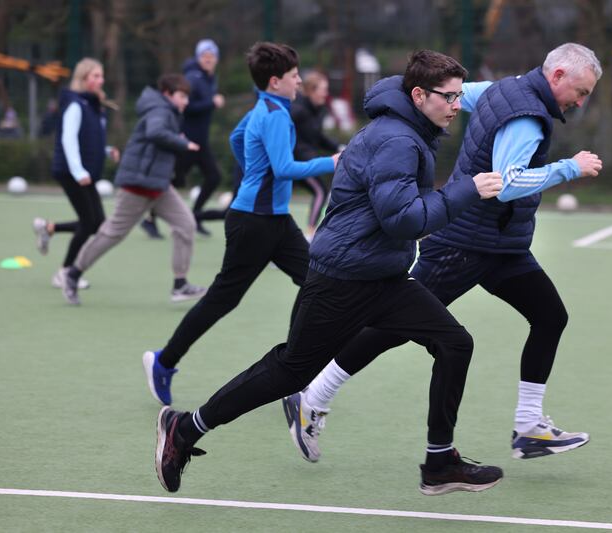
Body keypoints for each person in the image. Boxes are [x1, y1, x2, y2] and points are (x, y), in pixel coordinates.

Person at [153, 48, 506, 497]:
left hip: (382, 275)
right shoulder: (397, 140)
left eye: (460, 96)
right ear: (419, 95)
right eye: (449, 96)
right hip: (344, 277)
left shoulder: (409, 131)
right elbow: (402, 219)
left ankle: (439, 463)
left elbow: (400, 214)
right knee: (290, 371)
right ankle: (185, 428)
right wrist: (464, 192)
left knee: (455, 342)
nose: (457, 105)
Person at [283, 43, 604, 465]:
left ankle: (529, 427)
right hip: (464, 242)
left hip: (501, 244)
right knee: (392, 328)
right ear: (558, 75)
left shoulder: (503, 88)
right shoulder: (526, 116)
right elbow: (507, 183)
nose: (580, 102)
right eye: (580, 91)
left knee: (550, 316)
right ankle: (312, 396)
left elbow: (457, 94)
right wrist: (569, 167)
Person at [142, 42, 337, 406]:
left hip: (274, 221)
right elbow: (284, 169)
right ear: (276, 81)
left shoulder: (264, 107)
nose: (299, 83)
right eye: (295, 77)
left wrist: (253, 175)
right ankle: (163, 362)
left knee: (314, 281)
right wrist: (333, 162)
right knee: (223, 299)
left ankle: (293, 371)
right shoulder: (276, 114)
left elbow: (237, 139)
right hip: (254, 223)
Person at [60, 74, 207, 306]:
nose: (185, 101)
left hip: (158, 184)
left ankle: (180, 285)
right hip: (138, 184)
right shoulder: (161, 110)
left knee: (186, 224)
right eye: (182, 96)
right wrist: (183, 143)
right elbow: (155, 132)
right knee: (112, 234)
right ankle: (72, 274)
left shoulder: (166, 111)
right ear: (168, 94)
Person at [32, 58, 119, 291]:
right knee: (90, 222)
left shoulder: (93, 105)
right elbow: (68, 140)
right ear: (82, 79)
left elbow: (86, 139)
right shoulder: (74, 104)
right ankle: (65, 272)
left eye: (101, 76)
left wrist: (106, 150)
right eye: (95, 76)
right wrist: (78, 170)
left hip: (84, 172)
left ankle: (49, 228)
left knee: (97, 223)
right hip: (71, 172)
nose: (100, 81)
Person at [141, 39, 224, 239]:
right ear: (198, 57)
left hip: (200, 143)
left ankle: (195, 216)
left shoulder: (209, 78)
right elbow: (186, 107)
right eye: (204, 55)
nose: (208, 59)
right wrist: (211, 103)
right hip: (186, 141)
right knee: (175, 181)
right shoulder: (193, 78)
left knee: (213, 177)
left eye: (211, 56)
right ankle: (149, 219)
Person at [290, 71, 341, 238]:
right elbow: (286, 136)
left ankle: (308, 233)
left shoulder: (317, 110)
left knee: (320, 191)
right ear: (311, 90)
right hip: (296, 163)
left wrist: (338, 147)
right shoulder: (297, 110)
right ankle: (310, 234)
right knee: (320, 190)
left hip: (306, 161)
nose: (326, 93)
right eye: (323, 89)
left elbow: (317, 137)